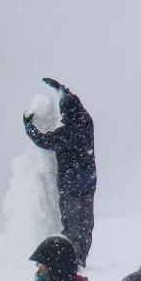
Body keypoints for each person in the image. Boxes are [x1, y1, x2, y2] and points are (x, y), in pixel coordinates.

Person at [24, 79, 97, 266]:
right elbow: (78, 108)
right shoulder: (87, 124)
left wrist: (28, 125)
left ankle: (73, 259)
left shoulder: (64, 134)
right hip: (88, 184)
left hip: (70, 186)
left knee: (72, 226)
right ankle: (82, 256)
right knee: (85, 224)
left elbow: (41, 140)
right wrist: (62, 90)